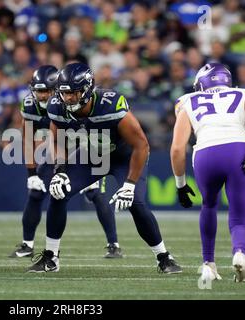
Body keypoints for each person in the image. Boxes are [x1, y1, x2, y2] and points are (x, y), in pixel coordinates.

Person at [27, 63, 182, 273]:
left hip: (123, 157)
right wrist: (61, 169)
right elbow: (56, 139)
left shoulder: (111, 104)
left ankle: (164, 257)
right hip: (91, 154)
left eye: (74, 93)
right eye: (65, 93)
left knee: (136, 202)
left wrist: (129, 184)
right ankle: (51, 257)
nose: (69, 98)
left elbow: (141, 145)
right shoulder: (56, 105)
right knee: (58, 192)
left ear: (88, 89)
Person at [10, 65, 123, 259]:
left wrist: (88, 164)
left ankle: (113, 244)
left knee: (96, 192)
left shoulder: (72, 102)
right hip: (59, 153)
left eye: (47, 90)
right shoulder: (31, 105)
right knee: (36, 191)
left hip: (87, 149)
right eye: (38, 90)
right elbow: (28, 137)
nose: (42, 95)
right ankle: (27, 244)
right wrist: (32, 173)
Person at [170, 62, 245, 282]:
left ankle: (208, 264)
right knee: (240, 220)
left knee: (209, 205)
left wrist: (180, 184)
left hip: (204, 153)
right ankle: (240, 253)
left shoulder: (187, 101)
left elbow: (177, 148)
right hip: (238, 150)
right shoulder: (243, 94)